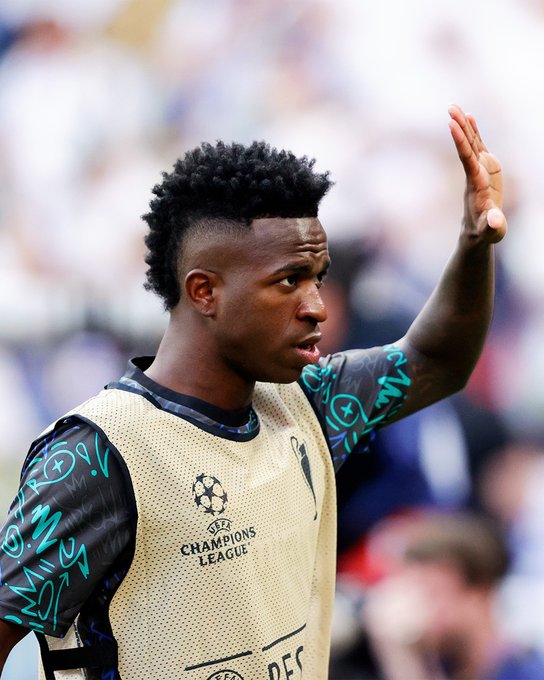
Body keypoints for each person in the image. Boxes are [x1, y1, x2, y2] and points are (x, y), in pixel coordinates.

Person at [0, 105, 506, 679]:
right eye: (289, 280)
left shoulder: (312, 403)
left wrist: (474, 241)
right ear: (204, 291)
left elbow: (437, 361)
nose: (317, 307)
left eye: (317, 279)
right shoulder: (97, 455)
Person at [365, 511, 544, 680]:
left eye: (430, 593)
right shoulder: (442, 666)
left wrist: (401, 657)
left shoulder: (528, 673)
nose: (417, 607)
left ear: (478, 593)